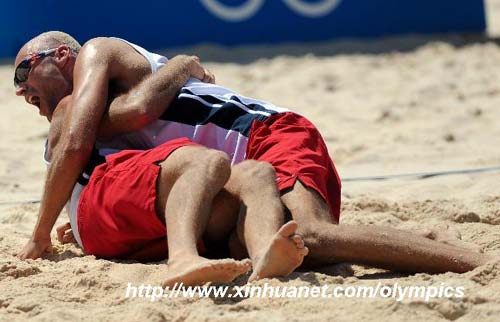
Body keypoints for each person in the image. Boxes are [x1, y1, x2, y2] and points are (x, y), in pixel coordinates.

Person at [15, 31, 496, 274]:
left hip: (268, 134)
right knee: (268, 246)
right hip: (244, 166)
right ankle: (423, 239)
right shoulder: (91, 108)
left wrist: (40, 234)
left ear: (60, 55)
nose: (20, 91)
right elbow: (101, 147)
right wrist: (183, 65)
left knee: (309, 236)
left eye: (23, 74)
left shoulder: (98, 50)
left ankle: (469, 261)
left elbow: (131, 114)